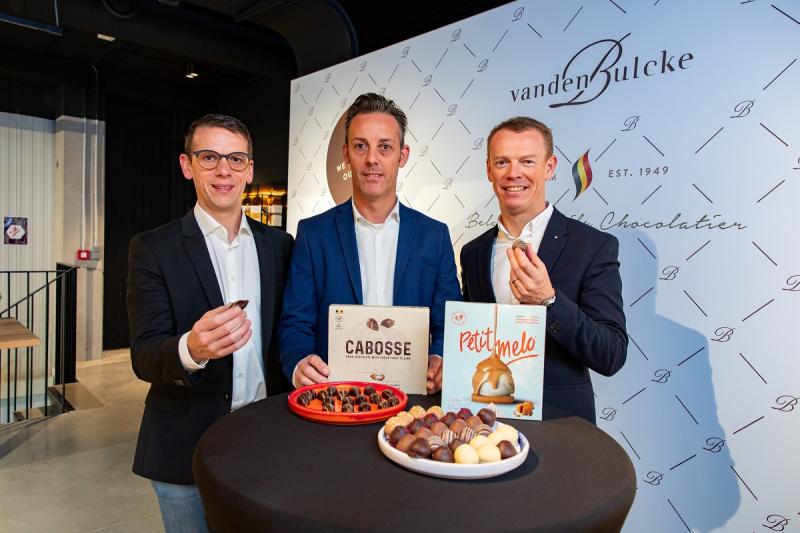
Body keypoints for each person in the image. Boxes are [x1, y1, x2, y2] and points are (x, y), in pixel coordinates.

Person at [126, 114, 293, 532]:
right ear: (187, 166)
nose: (224, 170)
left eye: (236, 159)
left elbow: (288, 334)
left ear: (250, 169)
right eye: (209, 157)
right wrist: (191, 350)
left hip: (265, 441)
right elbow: (144, 355)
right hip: (183, 446)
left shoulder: (280, 246)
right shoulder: (152, 249)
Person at [278, 92, 462, 394]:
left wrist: (440, 358)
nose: (372, 159)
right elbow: (294, 323)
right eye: (360, 146)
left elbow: (450, 321)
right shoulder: (313, 234)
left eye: (385, 147)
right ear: (346, 153)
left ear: (402, 156)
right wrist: (299, 363)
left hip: (412, 401)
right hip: (335, 401)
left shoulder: (435, 236)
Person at [459, 116, 627, 423]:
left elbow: (611, 354)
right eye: (502, 162)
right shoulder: (472, 253)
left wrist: (549, 300)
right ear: (488, 170)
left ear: (549, 168)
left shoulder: (592, 246)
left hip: (561, 426)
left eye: (527, 161)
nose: (514, 174)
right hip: (485, 424)